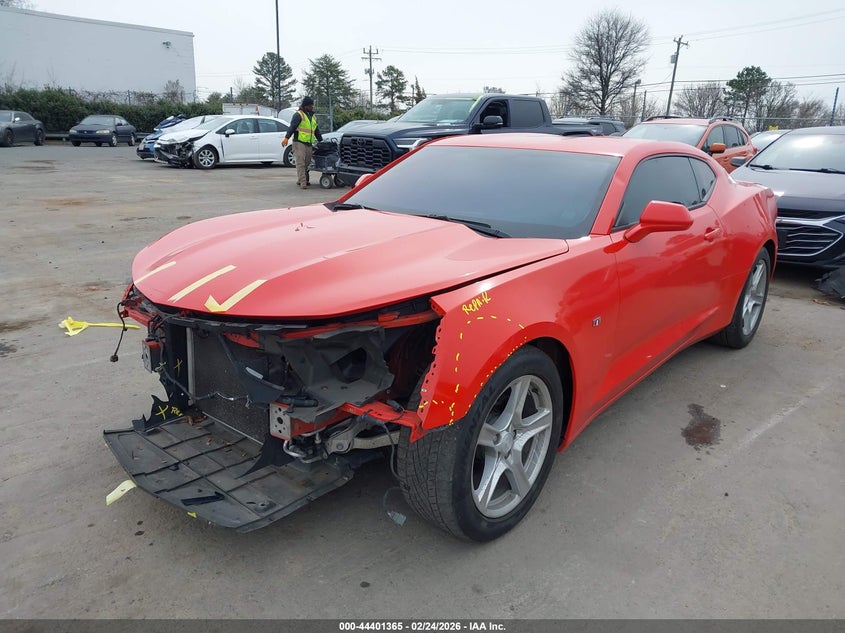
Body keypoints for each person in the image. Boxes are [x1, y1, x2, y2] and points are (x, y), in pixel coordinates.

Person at [282, 97, 323, 189]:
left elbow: (316, 130)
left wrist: (321, 140)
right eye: (310, 105)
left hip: (308, 143)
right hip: (298, 142)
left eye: (312, 105)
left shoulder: (313, 117)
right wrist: (286, 138)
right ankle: (303, 183)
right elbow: (292, 127)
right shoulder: (298, 115)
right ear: (305, 106)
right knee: (300, 163)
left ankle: (300, 179)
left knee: (307, 163)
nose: (312, 107)